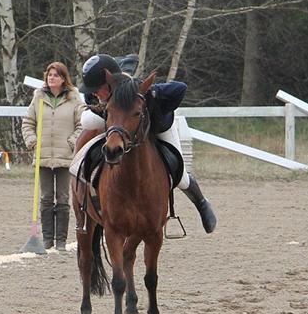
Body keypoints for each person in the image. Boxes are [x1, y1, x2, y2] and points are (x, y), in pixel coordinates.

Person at [76, 53, 217, 233]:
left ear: (111, 85)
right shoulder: (93, 95)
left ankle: (202, 203)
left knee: (180, 176)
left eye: (97, 89)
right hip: (123, 127)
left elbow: (180, 88)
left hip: (158, 127)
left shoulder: (142, 92)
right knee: (86, 120)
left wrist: (150, 94)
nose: (93, 93)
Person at [22, 61, 84, 250]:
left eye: (56, 75)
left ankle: (61, 242)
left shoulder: (74, 98)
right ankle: (47, 240)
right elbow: (28, 122)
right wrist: (32, 141)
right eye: (49, 75)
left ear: (63, 79)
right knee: (46, 198)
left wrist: (72, 142)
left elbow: (82, 124)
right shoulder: (38, 96)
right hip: (43, 156)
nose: (51, 78)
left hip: (65, 157)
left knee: (63, 198)